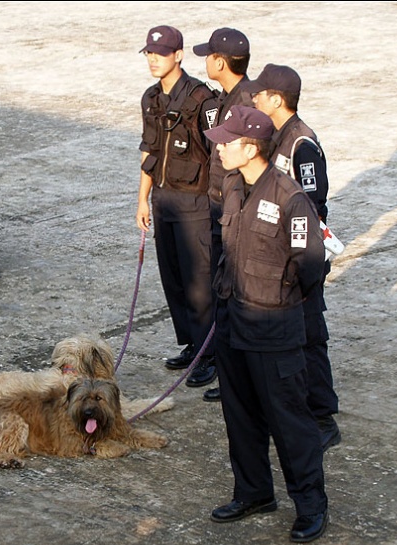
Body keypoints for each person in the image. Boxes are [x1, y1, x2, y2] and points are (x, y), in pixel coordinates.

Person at [204, 105, 328, 543]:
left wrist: (277, 295)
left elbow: (310, 264)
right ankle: (254, 492)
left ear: (250, 147)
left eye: (227, 141)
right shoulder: (234, 185)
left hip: (273, 328)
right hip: (233, 322)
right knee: (240, 416)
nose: (219, 147)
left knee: (289, 421)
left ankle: (311, 505)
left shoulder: (290, 198)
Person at [249, 63, 341, 451]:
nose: (253, 97)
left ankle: (323, 417)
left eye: (260, 92)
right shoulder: (277, 136)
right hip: (278, 255)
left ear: (276, 99)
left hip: (301, 255)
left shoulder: (301, 143)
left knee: (309, 338)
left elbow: (310, 205)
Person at [136, 26, 220, 389]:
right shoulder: (151, 98)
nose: (154, 59)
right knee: (173, 277)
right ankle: (191, 344)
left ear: (179, 55)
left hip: (197, 200)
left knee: (199, 282)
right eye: (150, 53)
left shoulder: (202, 99)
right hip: (164, 198)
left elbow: (219, 153)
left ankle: (210, 353)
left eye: (162, 53)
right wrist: (142, 197)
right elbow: (149, 149)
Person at [192, 28, 254, 402]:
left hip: (231, 210)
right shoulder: (232, 97)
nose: (206, 60)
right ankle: (227, 373)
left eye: (209, 55)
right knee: (223, 294)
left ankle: (235, 380)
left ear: (220, 61)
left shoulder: (244, 101)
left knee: (234, 297)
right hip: (220, 207)